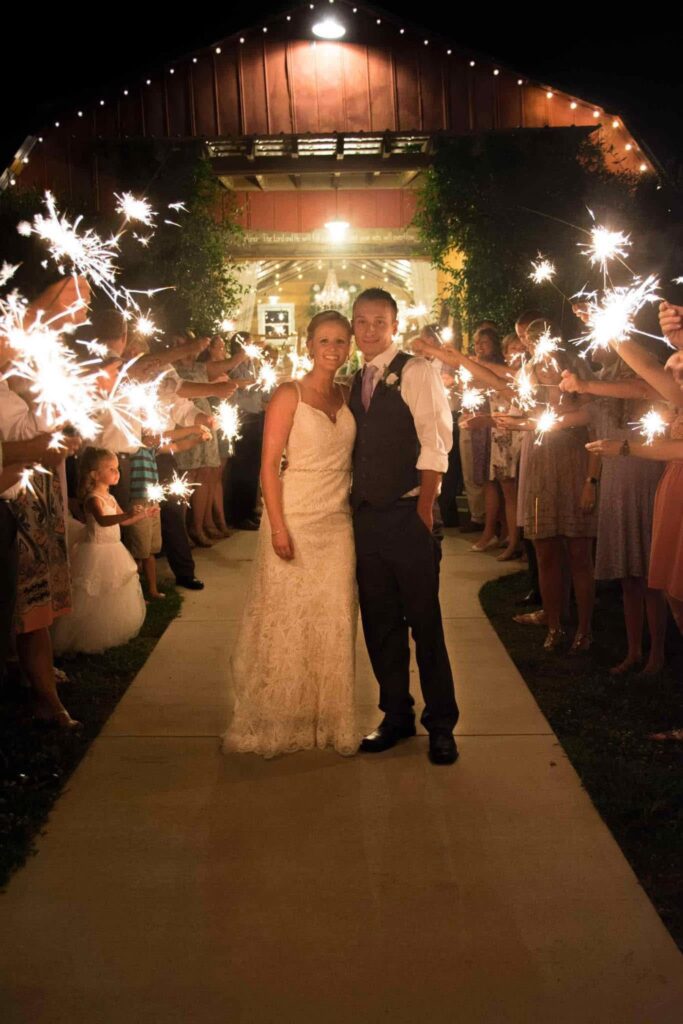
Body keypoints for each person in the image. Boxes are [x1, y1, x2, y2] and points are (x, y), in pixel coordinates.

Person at [222, 311, 358, 759]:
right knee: (287, 617)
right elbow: (268, 465)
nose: (333, 349)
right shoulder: (289, 394)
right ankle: (281, 714)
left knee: (334, 618)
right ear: (309, 344)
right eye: (324, 340)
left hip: (338, 522)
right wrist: (278, 525)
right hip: (294, 516)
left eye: (341, 340)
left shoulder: (349, 393)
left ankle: (331, 718)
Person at [349, 288, 459, 765]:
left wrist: (424, 512)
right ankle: (396, 714)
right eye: (362, 322)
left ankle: (441, 724)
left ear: (394, 325)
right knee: (380, 624)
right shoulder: (355, 381)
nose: (370, 330)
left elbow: (436, 442)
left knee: (425, 623)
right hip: (368, 519)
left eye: (379, 321)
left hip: (408, 514)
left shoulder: (416, 371)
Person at [52, 449, 152, 655]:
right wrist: (126, 514)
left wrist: (143, 515)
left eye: (117, 469)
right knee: (93, 593)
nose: (117, 473)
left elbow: (123, 521)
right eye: (111, 469)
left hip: (114, 549)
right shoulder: (93, 498)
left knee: (114, 591)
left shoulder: (111, 497)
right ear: (95, 474)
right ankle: (90, 634)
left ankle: (114, 628)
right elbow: (103, 521)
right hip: (96, 552)